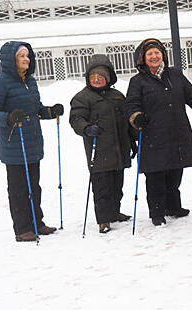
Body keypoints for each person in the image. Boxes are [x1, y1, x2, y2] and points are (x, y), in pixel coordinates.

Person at [0, 41, 64, 242]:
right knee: (19, 189)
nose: (26, 59)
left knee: (33, 186)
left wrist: (50, 112)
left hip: (32, 141)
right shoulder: (1, 82)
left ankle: (37, 222)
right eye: (22, 56)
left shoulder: (30, 81)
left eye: (28, 55)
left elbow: (35, 110)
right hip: (14, 143)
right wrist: (9, 118)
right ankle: (22, 228)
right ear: (12, 60)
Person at [125, 38, 192, 226]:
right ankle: (157, 211)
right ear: (142, 58)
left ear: (163, 55)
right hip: (153, 135)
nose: (154, 56)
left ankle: (173, 206)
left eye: (157, 52)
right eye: (150, 54)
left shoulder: (175, 75)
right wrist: (136, 116)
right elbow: (132, 105)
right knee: (155, 175)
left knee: (175, 171)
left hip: (177, 132)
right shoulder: (137, 81)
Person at [69, 54, 137, 233]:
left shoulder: (117, 96)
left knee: (117, 185)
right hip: (98, 151)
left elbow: (126, 122)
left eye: (101, 76)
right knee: (102, 188)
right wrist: (86, 128)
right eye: (93, 77)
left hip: (119, 149)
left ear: (108, 77)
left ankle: (114, 212)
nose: (97, 79)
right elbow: (76, 118)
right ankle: (104, 219)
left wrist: (133, 141)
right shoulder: (82, 97)